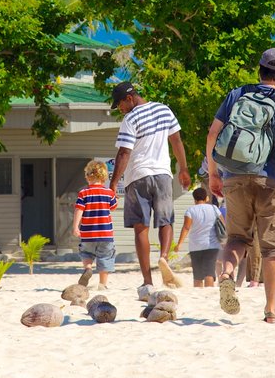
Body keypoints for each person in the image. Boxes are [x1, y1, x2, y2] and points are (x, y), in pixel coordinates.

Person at [205, 48, 275, 322]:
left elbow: (213, 133)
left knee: (237, 238)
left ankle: (226, 274)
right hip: (269, 180)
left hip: (233, 177)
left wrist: (214, 173)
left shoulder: (237, 94)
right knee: (273, 248)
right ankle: (271, 309)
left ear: (259, 70)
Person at [108, 82, 191, 291]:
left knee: (140, 228)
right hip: (163, 174)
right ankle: (163, 257)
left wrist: (113, 182)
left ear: (129, 98)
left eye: (120, 105)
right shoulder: (164, 109)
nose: (121, 109)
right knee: (166, 221)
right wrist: (183, 169)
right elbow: (177, 140)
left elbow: (124, 153)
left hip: (137, 177)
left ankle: (147, 280)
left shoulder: (131, 118)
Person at [72, 160, 118, 290]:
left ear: (87, 176)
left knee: (87, 253)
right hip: (105, 234)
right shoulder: (109, 193)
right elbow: (113, 207)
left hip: (88, 233)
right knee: (105, 257)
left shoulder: (83, 193)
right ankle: (102, 284)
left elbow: (79, 209)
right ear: (104, 177)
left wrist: (75, 226)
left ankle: (87, 268)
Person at [175, 187, 223, 287]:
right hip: (212, 245)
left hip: (195, 246)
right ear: (207, 198)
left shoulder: (190, 211)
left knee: (197, 274)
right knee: (209, 271)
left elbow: (186, 228)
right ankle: (208, 295)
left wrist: (179, 244)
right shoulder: (214, 208)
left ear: (194, 199)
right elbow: (223, 224)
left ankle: (198, 291)